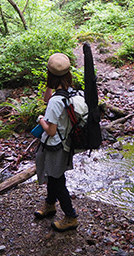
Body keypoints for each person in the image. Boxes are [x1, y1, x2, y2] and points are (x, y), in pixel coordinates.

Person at [34, 53, 78, 232]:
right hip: (67, 141)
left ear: (50, 74)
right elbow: (47, 99)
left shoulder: (56, 102)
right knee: (53, 176)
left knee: (58, 181)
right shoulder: (72, 91)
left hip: (56, 146)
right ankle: (50, 205)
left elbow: (50, 130)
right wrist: (49, 85)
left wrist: (40, 120)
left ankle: (70, 216)